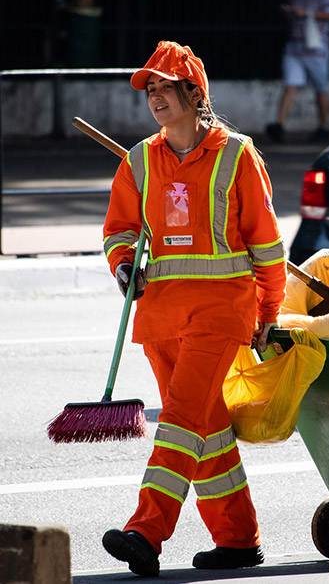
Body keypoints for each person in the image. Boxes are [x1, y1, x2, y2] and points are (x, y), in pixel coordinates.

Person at [101, 40, 287, 576]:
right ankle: (237, 539)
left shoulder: (237, 155)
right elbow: (119, 231)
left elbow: (267, 245)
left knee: (180, 421)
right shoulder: (139, 160)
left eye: (166, 87)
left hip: (220, 314)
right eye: (150, 90)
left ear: (194, 93)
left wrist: (268, 312)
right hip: (159, 317)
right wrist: (123, 266)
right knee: (206, 428)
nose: (156, 97)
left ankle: (146, 531)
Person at [266, 0, 329, 143]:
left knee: (321, 88)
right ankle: (279, 125)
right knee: (290, 84)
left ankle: (324, 127)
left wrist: (306, 13)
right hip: (294, 46)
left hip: (316, 48)